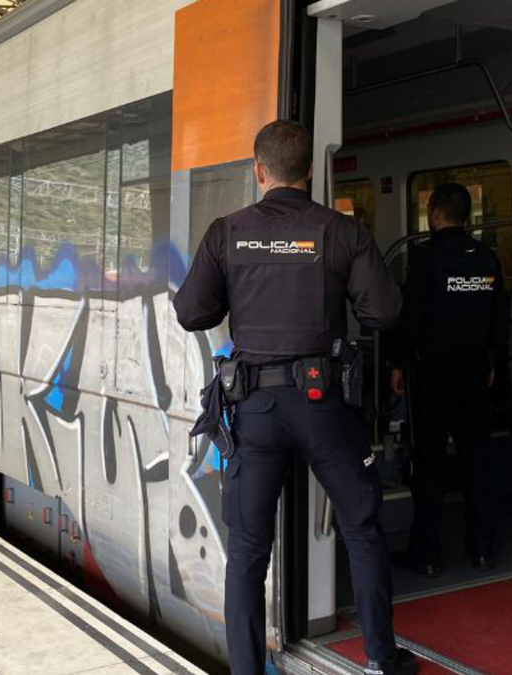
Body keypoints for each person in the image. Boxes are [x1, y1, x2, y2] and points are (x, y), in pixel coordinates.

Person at [174, 120, 417, 675]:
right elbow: (385, 312)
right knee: (360, 526)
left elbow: (193, 312)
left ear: (259, 171)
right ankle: (382, 658)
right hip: (323, 404)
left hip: (254, 411)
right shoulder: (341, 231)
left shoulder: (226, 232)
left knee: (249, 552)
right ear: (311, 171)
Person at [390, 183, 508, 576]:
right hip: (476, 371)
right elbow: (497, 319)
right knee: (478, 460)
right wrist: (492, 361)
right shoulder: (488, 260)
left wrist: (398, 364)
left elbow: (411, 319)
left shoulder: (426, 259)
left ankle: (426, 553)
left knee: (431, 463)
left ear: (434, 211)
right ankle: (482, 549)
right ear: (468, 215)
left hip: (433, 373)